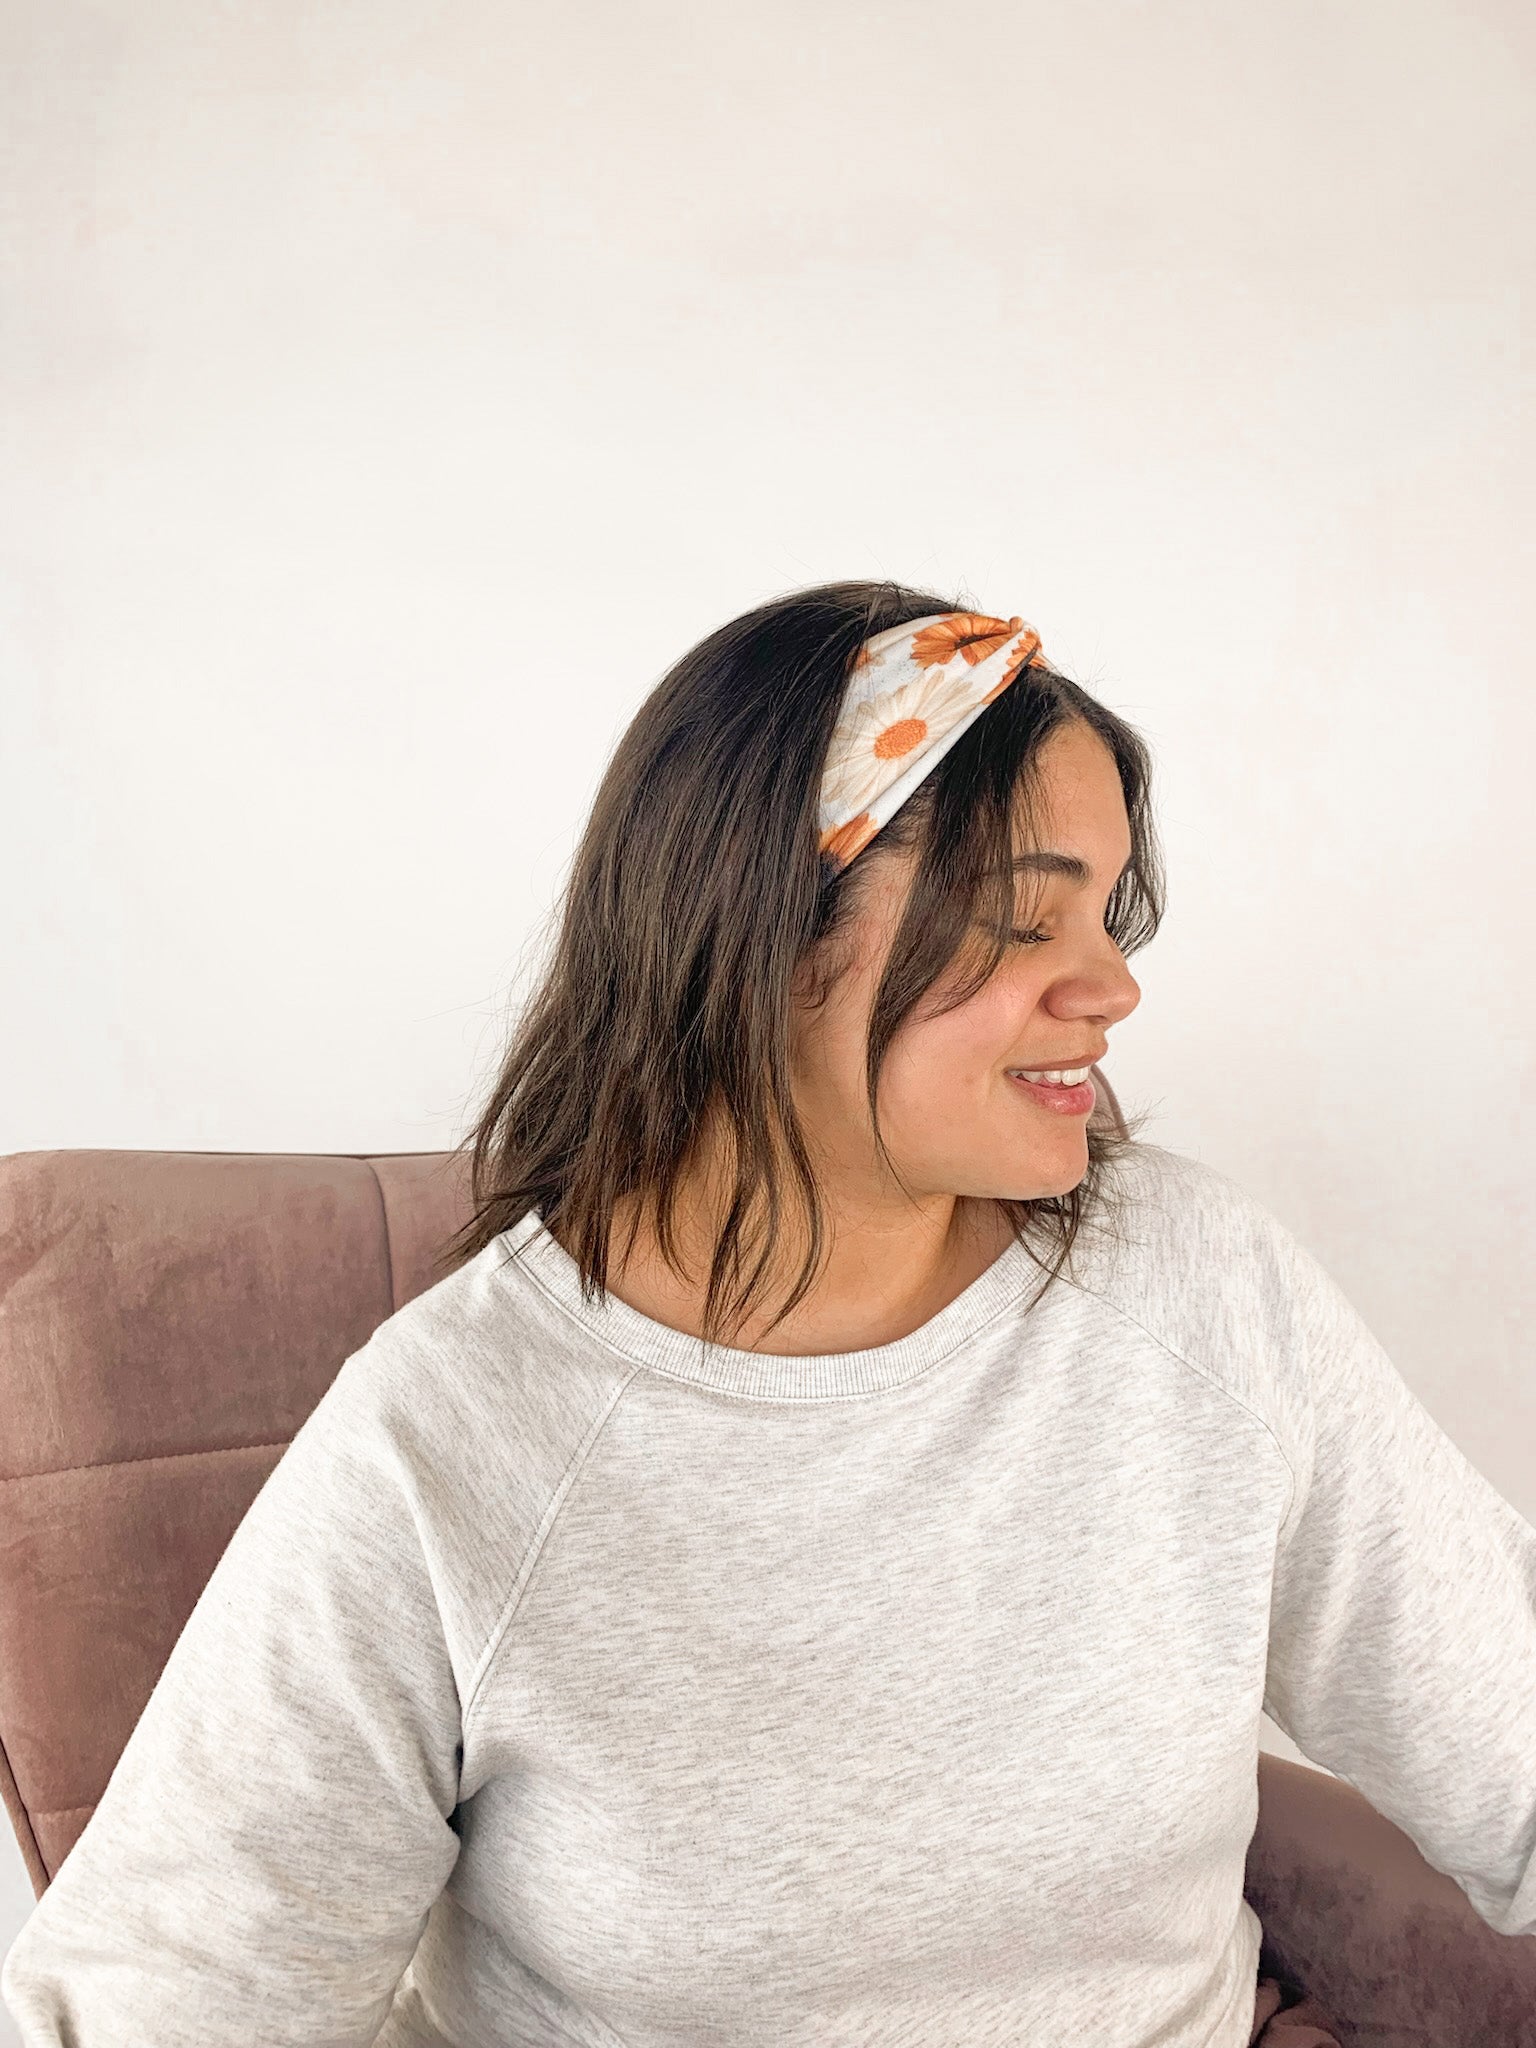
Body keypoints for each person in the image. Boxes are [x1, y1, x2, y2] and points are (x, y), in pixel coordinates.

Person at [4, 579, 1533, 2048]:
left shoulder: (1197, 1290)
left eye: (1110, 917)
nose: (1111, 987)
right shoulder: (450, 1442)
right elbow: (161, 1999)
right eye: (1022, 918)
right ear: (762, 938)